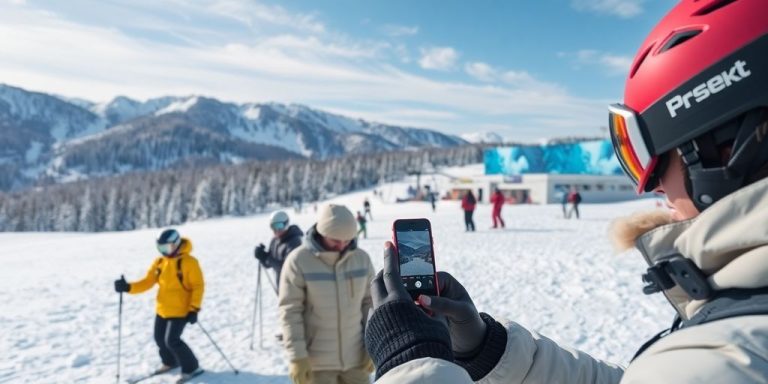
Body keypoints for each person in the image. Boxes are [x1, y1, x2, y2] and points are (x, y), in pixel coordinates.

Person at [363, 1, 768, 382]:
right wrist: (491, 351)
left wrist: (412, 363)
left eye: (649, 152)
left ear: (728, 150)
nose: (654, 185)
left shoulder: (721, 360)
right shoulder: (733, 348)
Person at [279, 204, 376, 384]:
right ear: (321, 232)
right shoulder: (298, 261)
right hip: (316, 365)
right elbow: (290, 312)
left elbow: (371, 304)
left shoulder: (362, 259)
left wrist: (373, 346)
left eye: (347, 240)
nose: (341, 246)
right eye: (335, 240)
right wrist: (297, 357)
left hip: (356, 360)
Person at [114, 229, 205, 382]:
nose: (164, 252)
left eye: (166, 248)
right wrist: (128, 287)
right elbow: (147, 282)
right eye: (160, 248)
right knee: (159, 339)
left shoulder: (189, 262)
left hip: (181, 310)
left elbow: (198, 286)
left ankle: (192, 367)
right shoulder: (160, 262)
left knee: (172, 341)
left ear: (176, 244)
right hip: (163, 309)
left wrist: (194, 308)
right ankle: (170, 362)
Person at [254, 210, 304, 289]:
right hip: (281, 288)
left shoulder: (294, 242)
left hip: (294, 289)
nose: (276, 230)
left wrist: (267, 258)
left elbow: (287, 268)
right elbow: (270, 264)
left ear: (286, 224)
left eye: (279, 226)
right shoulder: (275, 241)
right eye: (273, 226)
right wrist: (262, 256)